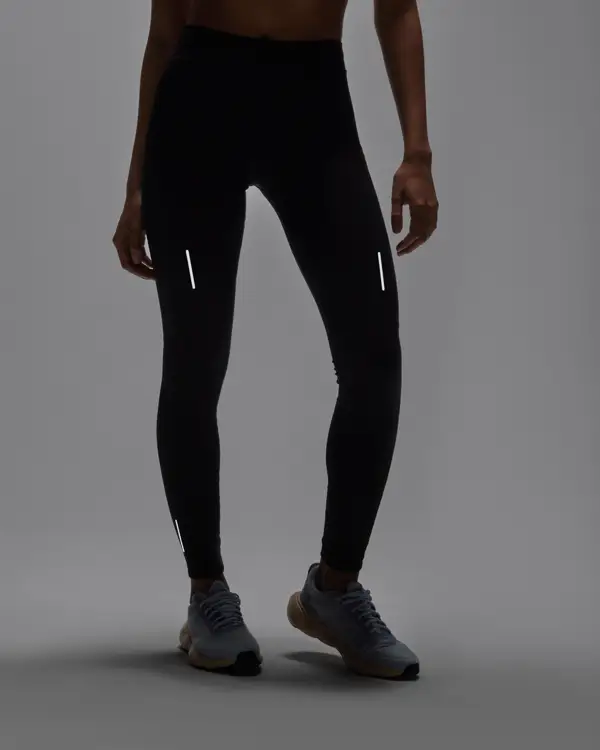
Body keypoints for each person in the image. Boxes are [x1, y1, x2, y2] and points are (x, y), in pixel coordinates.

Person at [112, 0, 438, 679]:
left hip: (313, 104)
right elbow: (165, 28)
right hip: (197, 107)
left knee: (375, 356)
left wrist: (417, 153)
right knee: (195, 358)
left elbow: (397, 9)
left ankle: (334, 589)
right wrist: (136, 183)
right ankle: (207, 593)